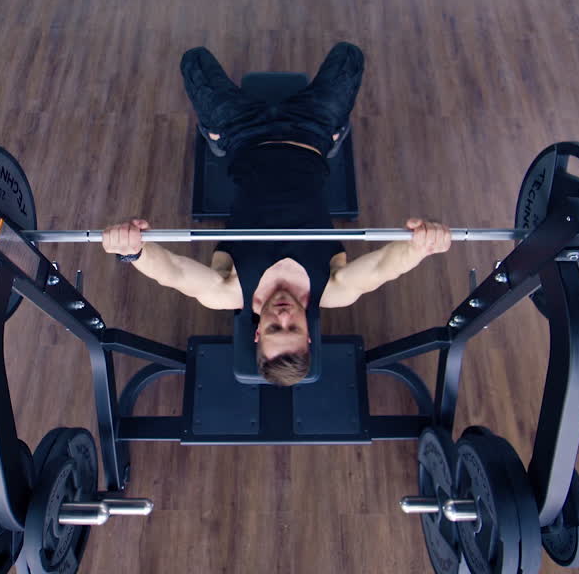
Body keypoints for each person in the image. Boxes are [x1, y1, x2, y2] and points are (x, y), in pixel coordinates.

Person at [102, 43, 451, 386]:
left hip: (242, 135)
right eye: (292, 327)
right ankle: (335, 137)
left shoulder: (229, 291)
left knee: (194, 61)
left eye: (273, 328)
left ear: (257, 333)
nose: (283, 315)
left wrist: (133, 251)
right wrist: (420, 246)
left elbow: (174, 273)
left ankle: (214, 138)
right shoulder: (333, 289)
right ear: (308, 334)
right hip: (312, 133)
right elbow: (383, 268)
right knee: (348, 57)